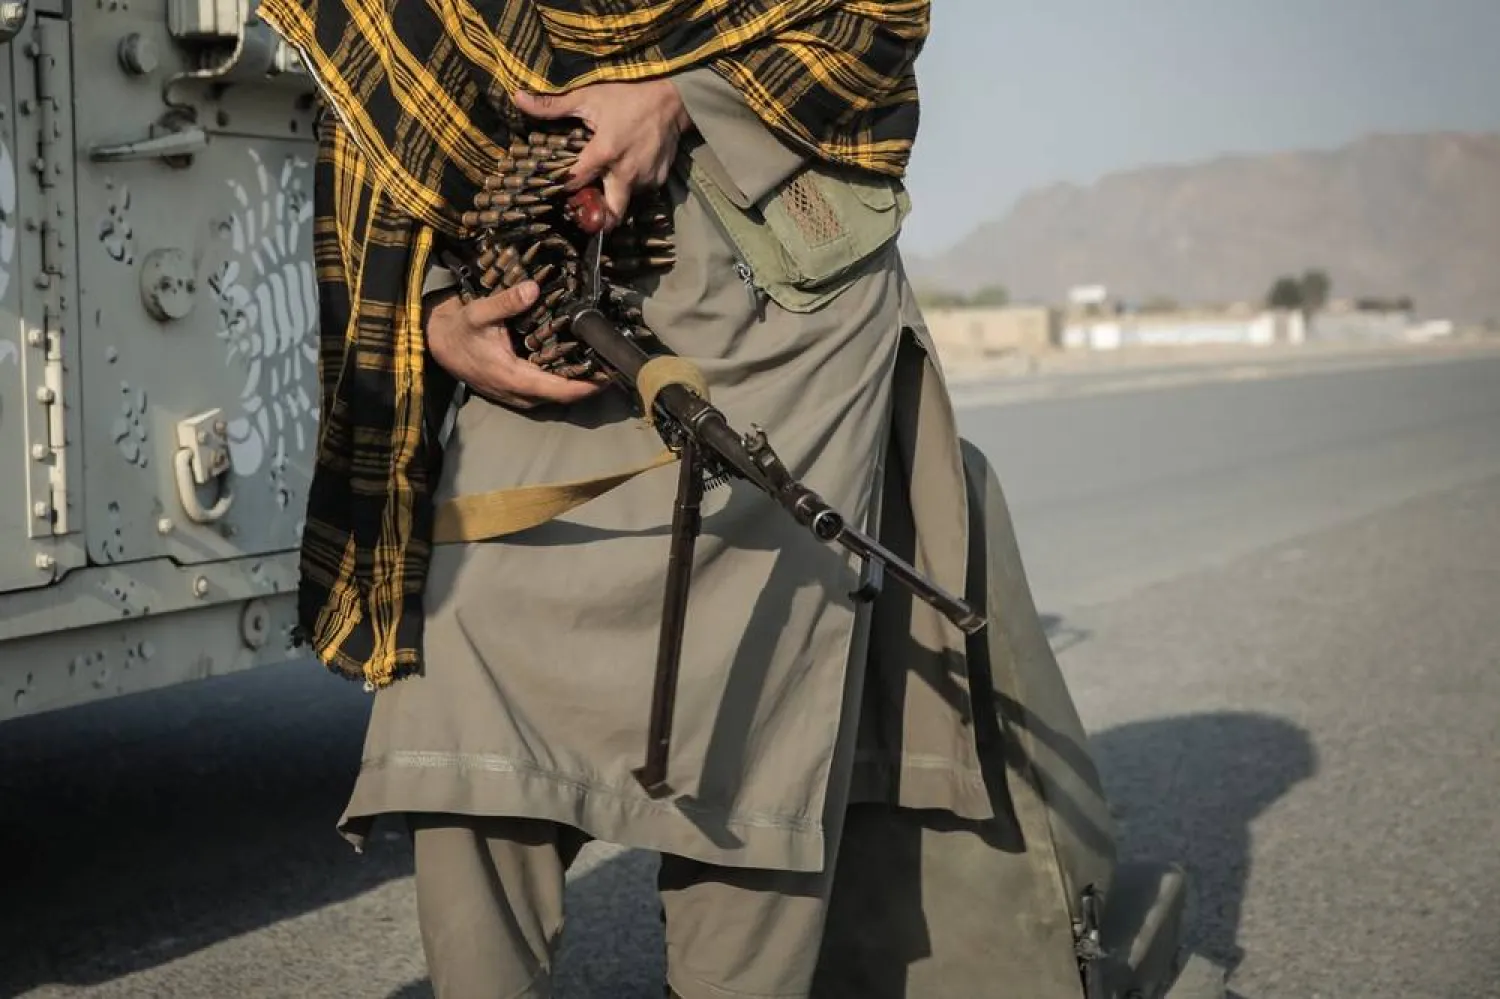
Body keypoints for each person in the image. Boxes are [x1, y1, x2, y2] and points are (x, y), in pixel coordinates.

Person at [256, 3, 997, 997]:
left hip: (767, 285)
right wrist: (432, 311)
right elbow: (390, 83)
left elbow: (876, 14)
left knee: (743, 723)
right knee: (472, 689)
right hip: (531, 277)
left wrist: (676, 97)